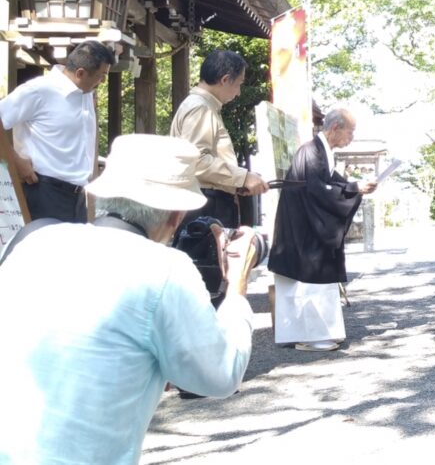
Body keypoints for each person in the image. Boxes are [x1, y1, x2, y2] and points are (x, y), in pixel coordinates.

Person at [0, 134, 256, 464]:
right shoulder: (164, 269)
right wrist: (237, 285)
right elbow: (219, 376)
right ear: (175, 216)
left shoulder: (33, 242)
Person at [268, 106, 376, 351]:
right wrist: (354, 190)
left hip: (307, 225)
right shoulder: (312, 152)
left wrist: (356, 186)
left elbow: (333, 183)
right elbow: (318, 192)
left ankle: (315, 333)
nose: (352, 137)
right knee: (310, 278)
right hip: (305, 228)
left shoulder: (320, 152)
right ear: (335, 128)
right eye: (351, 131)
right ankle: (310, 336)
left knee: (312, 280)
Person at [0, 40, 114, 222]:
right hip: (44, 190)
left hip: (77, 196)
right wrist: (16, 162)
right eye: (101, 76)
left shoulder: (85, 93)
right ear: (80, 73)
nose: (103, 81)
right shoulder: (39, 90)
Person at [170, 50, 268, 228]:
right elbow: (196, 160)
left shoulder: (203, 106)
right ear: (225, 79)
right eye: (238, 84)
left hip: (206, 202)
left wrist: (237, 183)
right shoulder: (200, 107)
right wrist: (242, 177)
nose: (238, 93)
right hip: (205, 205)